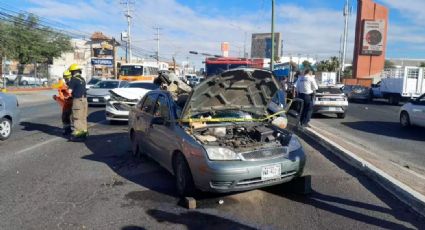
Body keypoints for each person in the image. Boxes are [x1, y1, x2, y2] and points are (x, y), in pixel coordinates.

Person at [67, 64, 88, 141]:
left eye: (71, 72)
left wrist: (68, 87)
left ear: (73, 72)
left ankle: (78, 135)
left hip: (78, 100)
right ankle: (84, 133)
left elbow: (69, 91)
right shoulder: (82, 79)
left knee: (77, 118)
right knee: (83, 118)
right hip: (84, 100)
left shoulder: (74, 79)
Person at [52, 71, 73, 135]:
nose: (66, 79)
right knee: (65, 117)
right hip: (66, 104)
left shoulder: (71, 84)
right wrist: (57, 98)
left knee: (73, 117)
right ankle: (67, 129)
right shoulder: (64, 84)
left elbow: (70, 94)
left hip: (72, 103)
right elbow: (63, 95)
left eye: (67, 78)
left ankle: (76, 131)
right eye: (65, 78)